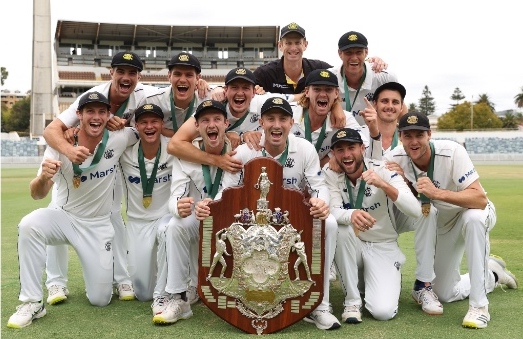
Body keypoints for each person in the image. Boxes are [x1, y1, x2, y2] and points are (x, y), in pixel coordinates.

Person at [195, 97, 341, 331]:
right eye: (270, 119)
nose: (276, 125)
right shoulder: (243, 151)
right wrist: (208, 205)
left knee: (330, 222)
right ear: (261, 122)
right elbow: (225, 193)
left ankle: (320, 305)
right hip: (252, 224)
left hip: (289, 221)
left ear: (292, 122)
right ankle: (241, 296)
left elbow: (318, 185)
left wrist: (321, 202)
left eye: (282, 119)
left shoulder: (304, 149)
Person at [7, 92, 139, 329]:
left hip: (98, 225)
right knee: (29, 224)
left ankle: (101, 280)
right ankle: (32, 302)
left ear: (109, 115)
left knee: (100, 300)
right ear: (78, 115)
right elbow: (37, 194)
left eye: (102, 111)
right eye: (90, 111)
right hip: (64, 218)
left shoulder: (119, 138)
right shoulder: (60, 144)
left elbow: (149, 129)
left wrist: (125, 122)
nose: (96, 117)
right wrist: (43, 178)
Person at [384, 112, 518, 329]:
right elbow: (408, 199)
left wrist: (437, 193)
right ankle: (493, 274)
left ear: (429, 134)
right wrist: (403, 183)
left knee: (474, 220)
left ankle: (479, 307)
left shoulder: (453, 151)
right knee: (444, 293)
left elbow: (480, 199)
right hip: (443, 225)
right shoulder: (394, 159)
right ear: (400, 136)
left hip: (471, 211)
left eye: (419, 134)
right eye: (408, 135)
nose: (414, 141)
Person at [42, 51, 151, 303]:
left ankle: (121, 278)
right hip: (76, 164)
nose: (126, 77)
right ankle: (56, 284)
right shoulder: (89, 96)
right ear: (110, 73)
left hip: (115, 158)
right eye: (120, 71)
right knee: (55, 210)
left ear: (138, 77)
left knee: (113, 215)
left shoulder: (143, 94)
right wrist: (70, 149)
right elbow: (51, 130)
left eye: (131, 73)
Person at [324, 128, 428, 323]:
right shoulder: (331, 173)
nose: (346, 155)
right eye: (340, 150)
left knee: (383, 312)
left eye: (351, 148)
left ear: (362, 148)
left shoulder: (383, 169)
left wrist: (383, 185)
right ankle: (352, 302)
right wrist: (351, 214)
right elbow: (333, 210)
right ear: (334, 154)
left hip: (382, 245)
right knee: (341, 228)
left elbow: (415, 209)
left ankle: (492, 272)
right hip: (353, 246)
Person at [152, 99, 232, 325]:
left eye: (217, 119)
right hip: (198, 219)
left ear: (226, 123)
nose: (211, 124)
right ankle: (179, 298)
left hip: (229, 223)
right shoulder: (186, 154)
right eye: (205, 120)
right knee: (175, 225)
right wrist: (178, 207)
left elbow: (233, 191)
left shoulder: (237, 152)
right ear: (196, 126)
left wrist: (214, 206)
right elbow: (174, 197)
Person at [117, 103, 173, 305]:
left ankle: (176, 286)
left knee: (171, 231)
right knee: (143, 293)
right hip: (137, 223)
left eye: (154, 121)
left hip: (165, 220)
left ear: (162, 124)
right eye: (144, 122)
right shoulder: (125, 151)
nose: (149, 127)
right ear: (136, 126)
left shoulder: (173, 148)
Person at [253, 22, 387, 95]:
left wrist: (370, 61)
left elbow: (344, 69)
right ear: (280, 45)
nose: (293, 48)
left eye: (298, 43)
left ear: (305, 45)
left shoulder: (318, 68)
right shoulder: (264, 73)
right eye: (288, 43)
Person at [293, 69, 382, 167]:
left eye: (328, 90)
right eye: (317, 89)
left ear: (336, 93)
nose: (323, 94)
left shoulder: (345, 118)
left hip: (324, 179)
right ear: (306, 92)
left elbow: (372, 160)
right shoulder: (289, 113)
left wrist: (374, 132)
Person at [330, 31, 398, 126]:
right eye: (348, 53)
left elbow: (400, 107)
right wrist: (335, 105)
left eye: (359, 52)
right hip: (342, 137)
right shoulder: (329, 78)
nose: (354, 58)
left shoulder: (385, 77)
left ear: (366, 52)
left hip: (375, 136)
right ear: (340, 53)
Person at [135, 52, 211, 137]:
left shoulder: (208, 100)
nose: (182, 80)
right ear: (169, 76)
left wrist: (219, 89)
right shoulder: (152, 101)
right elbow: (136, 127)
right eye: (177, 74)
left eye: (189, 75)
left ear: (197, 78)